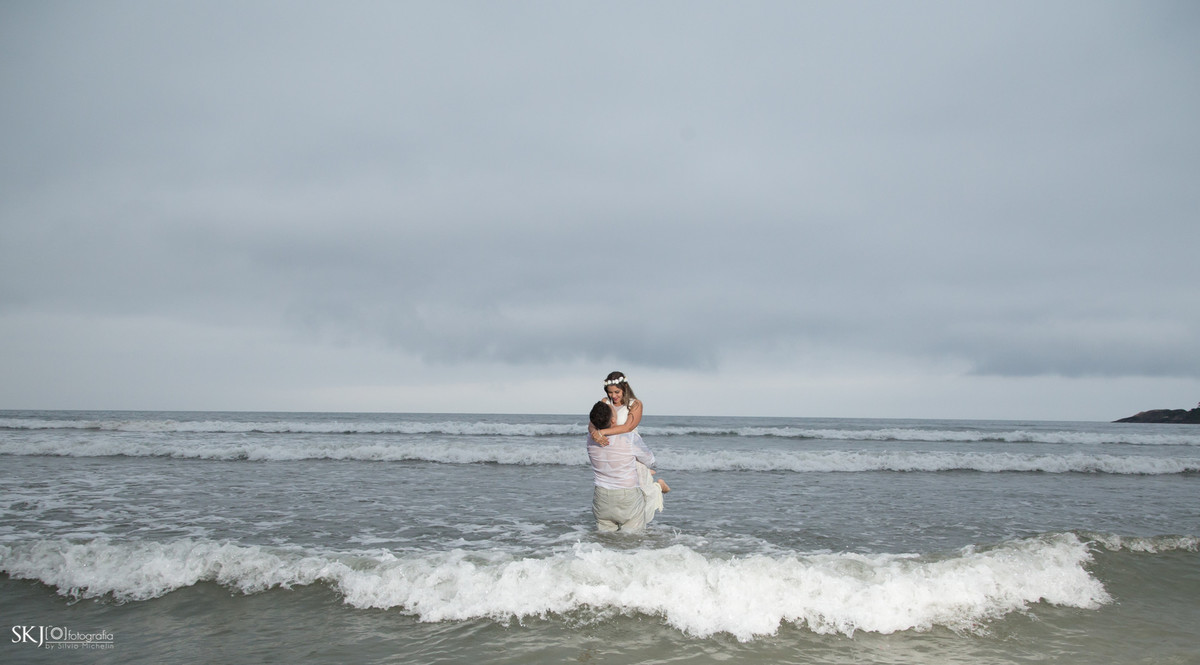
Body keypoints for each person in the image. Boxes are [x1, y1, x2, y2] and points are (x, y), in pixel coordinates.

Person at [587, 400, 659, 532]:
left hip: (601, 496)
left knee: (605, 539)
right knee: (632, 539)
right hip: (627, 495)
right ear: (613, 420)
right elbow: (650, 461)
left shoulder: (590, 438)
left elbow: (592, 424)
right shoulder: (628, 437)